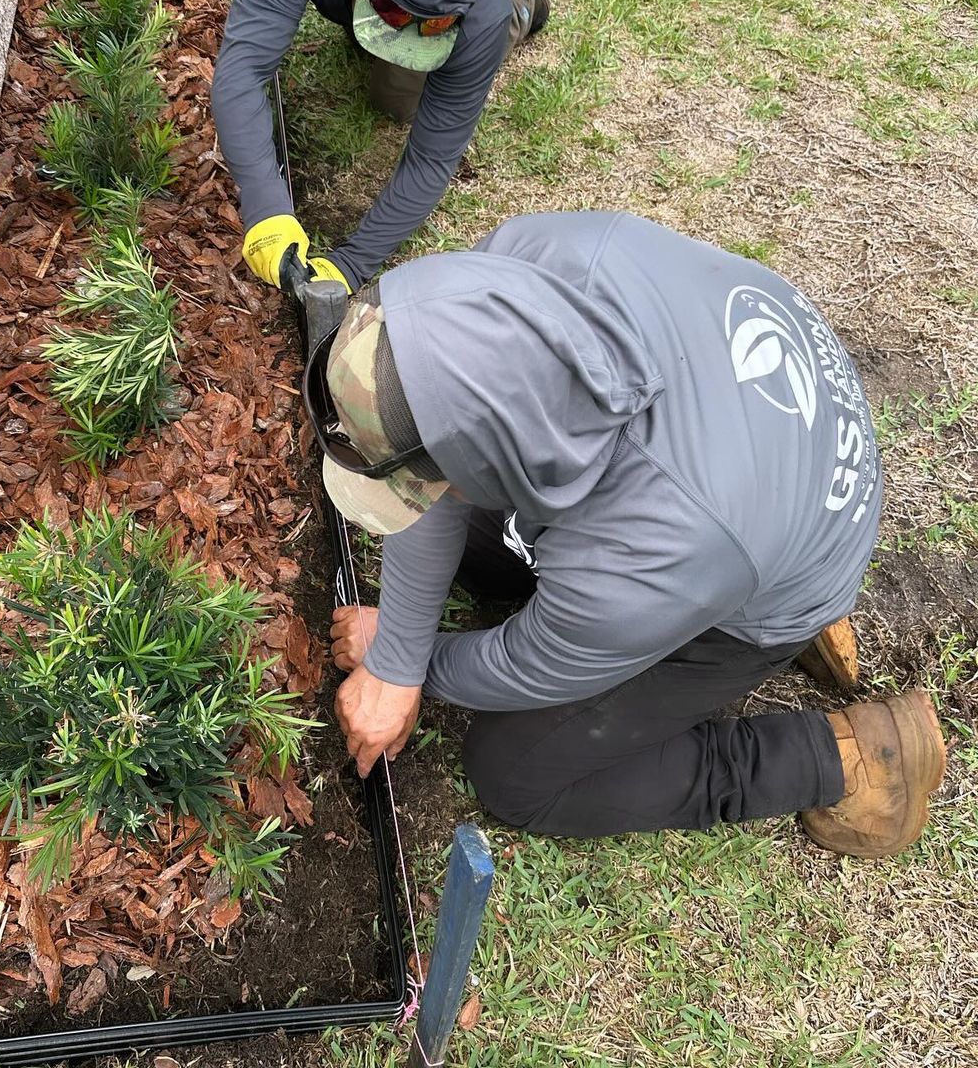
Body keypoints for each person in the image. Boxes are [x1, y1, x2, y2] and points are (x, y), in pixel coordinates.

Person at [310, 211, 946, 857]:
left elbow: (526, 665)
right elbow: (438, 429)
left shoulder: (659, 546)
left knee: (518, 773)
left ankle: (843, 758)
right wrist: (396, 652)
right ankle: (743, 567)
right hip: (755, 456)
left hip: (761, 553)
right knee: (474, 545)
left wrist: (407, 667)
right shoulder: (504, 279)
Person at [211, 0, 549, 294]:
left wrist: (350, 265)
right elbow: (243, 72)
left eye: (434, 24)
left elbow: (433, 156)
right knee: (374, 47)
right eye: (391, 12)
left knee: (398, 100)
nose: (408, 37)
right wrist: (267, 210)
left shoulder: (483, 1)